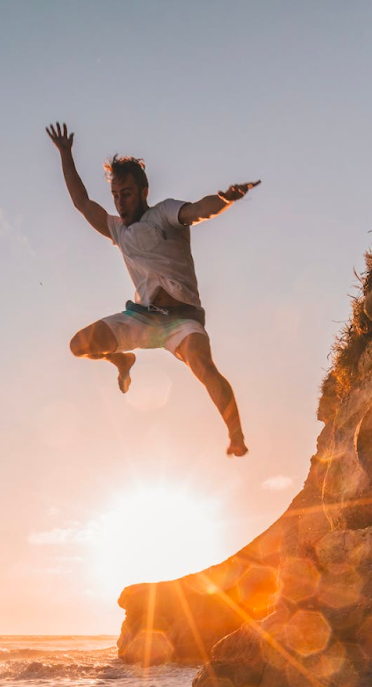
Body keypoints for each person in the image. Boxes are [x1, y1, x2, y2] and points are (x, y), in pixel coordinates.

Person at [46, 122, 258, 457]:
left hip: (182, 320)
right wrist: (66, 154)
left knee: (203, 366)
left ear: (144, 191)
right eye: (115, 195)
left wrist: (225, 198)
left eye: (126, 193)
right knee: (79, 345)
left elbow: (199, 210)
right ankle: (122, 360)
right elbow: (82, 202)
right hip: (143, 319)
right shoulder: (117, 230)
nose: (119, 202)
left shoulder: (164, 214)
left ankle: (236, 436)